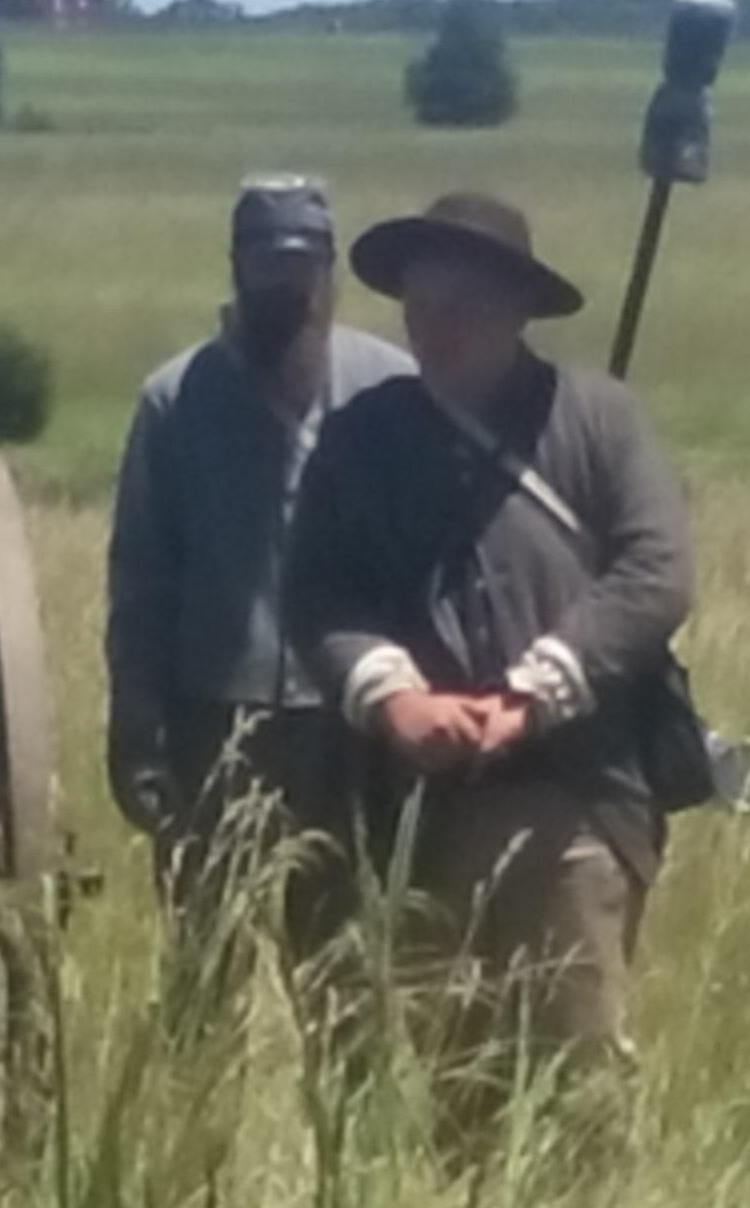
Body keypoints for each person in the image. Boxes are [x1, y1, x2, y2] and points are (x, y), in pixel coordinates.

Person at [286, 191, 694, 1127]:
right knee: (456, 1083)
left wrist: (529, 695)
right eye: (422, 307)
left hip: (571, 791)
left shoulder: (598, 418)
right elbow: (318, 596)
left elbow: (656, 573)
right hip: (410, 808)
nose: (438, 328)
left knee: (578, 1076)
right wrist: (395, 697)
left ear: (516, 312)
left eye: (464, 306)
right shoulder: (361, 439)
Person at [105, 177, 411, 1011]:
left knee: (347, 975)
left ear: (330, 270)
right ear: (236, 266)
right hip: (213, 723)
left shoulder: (390, 386)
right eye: (270, 264)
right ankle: (199, 1103)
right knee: (205, 972)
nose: (289, 285)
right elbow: (141, 576)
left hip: (352, 721)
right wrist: (135, 723)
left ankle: (350, 1102)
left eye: (304, 265)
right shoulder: (176, 399)